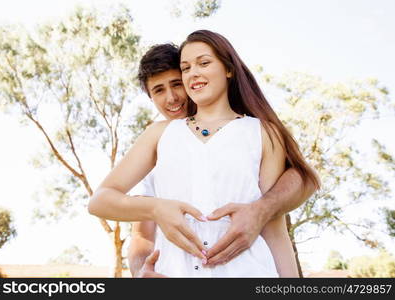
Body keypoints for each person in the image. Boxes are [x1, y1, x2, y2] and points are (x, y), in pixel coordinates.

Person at [88, 31, 320, 277]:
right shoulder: (159, 136)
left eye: (203, 63)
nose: (173, 95)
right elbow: (110, 209)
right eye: (186, 68)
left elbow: (276, 228)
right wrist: (154, 211)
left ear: (228, 69)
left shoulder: (262, 133)